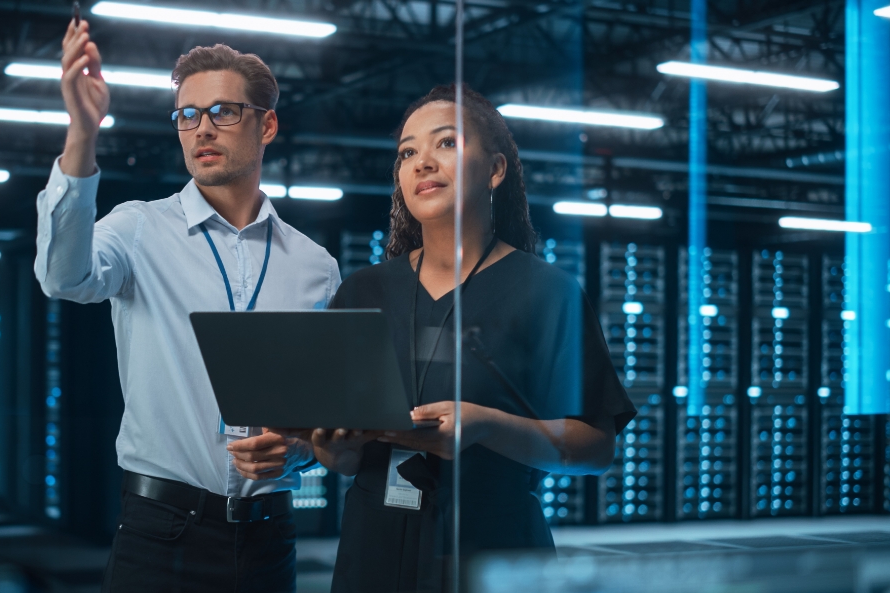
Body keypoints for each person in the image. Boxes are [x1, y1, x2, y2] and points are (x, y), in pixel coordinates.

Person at [34, 18, 340, 593]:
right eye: (188, 115)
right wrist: (82, 131)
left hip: (271, 537)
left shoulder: (315, 266)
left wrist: (300, 451)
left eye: (224, 112)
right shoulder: (138, 229)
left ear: (266, 124)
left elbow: (326, 415)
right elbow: (62, 277)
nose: (203, 128)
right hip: (160, 533)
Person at [312, 85, 637, 592]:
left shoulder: (547, 293)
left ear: (496, 170)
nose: (422, 162)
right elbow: (344, 459)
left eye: (446, 143)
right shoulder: (364, 290)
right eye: (407, 152)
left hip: (495, 547)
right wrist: (334, 446)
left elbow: (597, 448)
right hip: (375, 546)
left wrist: (487, 425)